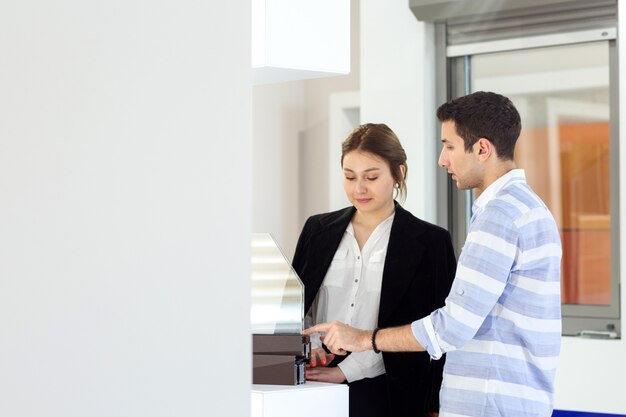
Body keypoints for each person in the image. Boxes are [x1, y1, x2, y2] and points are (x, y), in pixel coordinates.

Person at [304, 92, 562, 417]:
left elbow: (451, 327)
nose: (442, 159)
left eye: (450, 146)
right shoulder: (525, 209)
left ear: (482, 149)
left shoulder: (501, 216)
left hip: (489, 402)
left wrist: (363, 339)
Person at [292, 123, 456, 417]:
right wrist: (309, 345)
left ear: (399, 173)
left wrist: (434, 405)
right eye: (349, 176)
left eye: (371, 177)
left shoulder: (431, 242)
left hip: (391, 392)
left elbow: (439, 332)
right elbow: (296, 304)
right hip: (314, 381)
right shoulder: (317, 229)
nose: (359, 189)